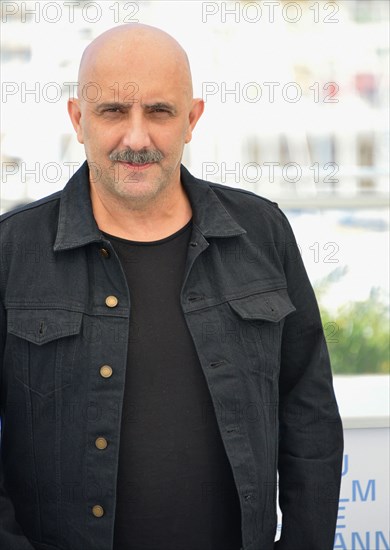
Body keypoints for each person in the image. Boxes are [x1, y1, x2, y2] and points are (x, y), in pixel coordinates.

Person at [0, 24, 343, 550]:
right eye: (113, 111)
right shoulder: (12, 251)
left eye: (159, 112)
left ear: (191, 119)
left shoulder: (263, 231)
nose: (137, 138)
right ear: (78, 120)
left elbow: (309, 409)